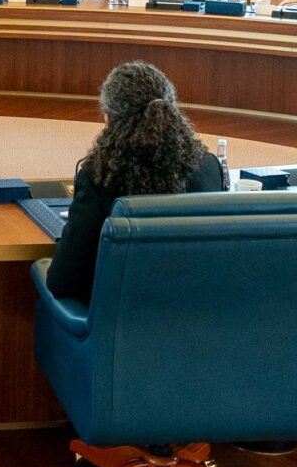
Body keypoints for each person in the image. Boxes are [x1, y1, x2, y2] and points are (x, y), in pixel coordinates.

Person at [40, 62, 228, 305]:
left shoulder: (101, 177)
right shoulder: (209, 168)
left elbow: (62, 282)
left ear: (109, 118)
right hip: (193, 313)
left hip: (115, 319)